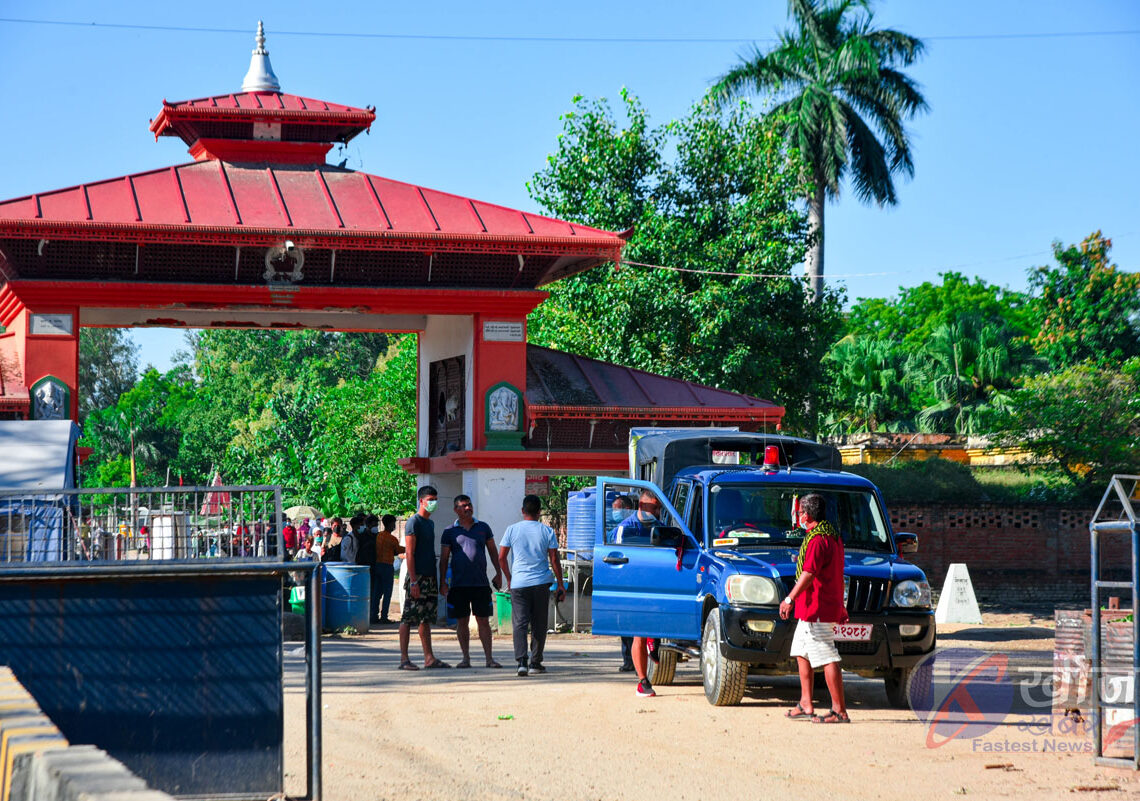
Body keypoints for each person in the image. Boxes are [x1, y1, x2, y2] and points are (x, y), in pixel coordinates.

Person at [779, 493, 850, 723]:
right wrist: (841, 605)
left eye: (800, 513)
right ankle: (806, 703)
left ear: (807, 515)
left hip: (817, 607)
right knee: (801, 651)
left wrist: (789, 598)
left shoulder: (818, 540)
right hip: (816, 606)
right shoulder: (832, 536)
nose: (798, 517)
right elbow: (838, 573)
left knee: (827, 654)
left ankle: (839, 710)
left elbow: (809, 573)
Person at [499, 495, 565, 677]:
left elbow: (501, 557)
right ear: (539, 512)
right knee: (539, 623)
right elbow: (554, 559)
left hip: (519, 583)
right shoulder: (547, 531)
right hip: (540, 583)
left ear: (522, 511)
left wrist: (509, 578)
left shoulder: (512, 530)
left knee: (520, 623)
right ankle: (535, 662)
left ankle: (521, 662)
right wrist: (560, 584)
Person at [440, 495, 503, 669]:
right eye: (463, 506)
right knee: (462, 622)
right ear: (456, 510)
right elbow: (444, 559)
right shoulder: (449, 531)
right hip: (458, 584)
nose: (468, 508)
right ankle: (465, 658)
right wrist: (443, 582)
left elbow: (493, 551)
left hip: (480, 583)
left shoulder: (483, 527)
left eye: (469, 505)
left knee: (483, 621)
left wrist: (499, 573)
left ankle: (489, 659)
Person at [614, 490, 664, 697]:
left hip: (658, 589)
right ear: (642, 506)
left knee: (656, 627)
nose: (658, 512)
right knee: (638, 634)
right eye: (655, 507)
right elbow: (615, 559)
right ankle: (643, 681)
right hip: (635, 588)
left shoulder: (661, 528)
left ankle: (655, 641)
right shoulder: (625, 528)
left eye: (659, 508)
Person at [399, 486, 449, 670]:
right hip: (417, 577)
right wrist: (413, 581)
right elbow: (409, 553)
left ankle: (429, 658)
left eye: (435, 499)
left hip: (430, 576)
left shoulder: (430, 523)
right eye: (430, 499)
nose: (433, 503)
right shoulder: (414, 522)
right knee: (408, 618)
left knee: (425, 618)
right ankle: (404, 659)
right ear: (421, 501)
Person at [610, 494, 637, 673]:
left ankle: (631, 660)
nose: (613, 513)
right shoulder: (623, 527)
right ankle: (630, 660)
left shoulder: (625, 527)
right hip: (630, 579)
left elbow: (617, 555)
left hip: (628, 580)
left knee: (628, 621)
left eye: (616, 509)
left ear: (627, 509)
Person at [375, 514, 404, 623]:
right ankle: (384, 617)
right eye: (394, 523)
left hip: (377, 565)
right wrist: (409, 548)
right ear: (390, 524)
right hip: (387, 566)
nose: (394, 525)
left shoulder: (378, 536)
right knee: (387, 593)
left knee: (377, 592)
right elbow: (398, 550)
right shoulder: (392, 539)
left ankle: (373, 616)